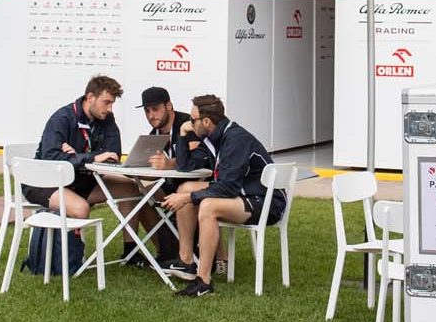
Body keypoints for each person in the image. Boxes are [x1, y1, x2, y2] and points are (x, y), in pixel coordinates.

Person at [161, 94, 280, 297]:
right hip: (243, 194)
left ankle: (203, 281)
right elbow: (186, 166)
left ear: (206, 121)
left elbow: (227, 188)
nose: (189, 124)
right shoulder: (214, 137)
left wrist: (187, 199)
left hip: (264, 201)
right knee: (185, 188)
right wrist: (181, 133)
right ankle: (187, 261)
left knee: (207, 205)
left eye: (192, 120)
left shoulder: (235, 139)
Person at [22, 76, 136, 263]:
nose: (109, 109)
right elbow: (51, 157)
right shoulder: (62, 118)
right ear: (90, 97)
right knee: (81, 208)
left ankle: (131, 252)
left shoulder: (106, 118)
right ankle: (72, 259)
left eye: (112, 104)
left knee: (130, 188)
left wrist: (77, 156)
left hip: (81, 181)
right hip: (45, 182)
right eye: (106, 102)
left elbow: (113, 153)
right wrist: (90, 157)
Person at [132, 86, 190, 264]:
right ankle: (164, 253)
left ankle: (218, 259)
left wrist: (171, 164)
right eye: (147, 111)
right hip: (171, 186)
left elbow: (201, 162)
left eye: (155, 109)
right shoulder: (153, 135)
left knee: (184, 190)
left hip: (197, 186)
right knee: (139, 194)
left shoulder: (187, 125)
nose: (151, 115)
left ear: (169, 106)